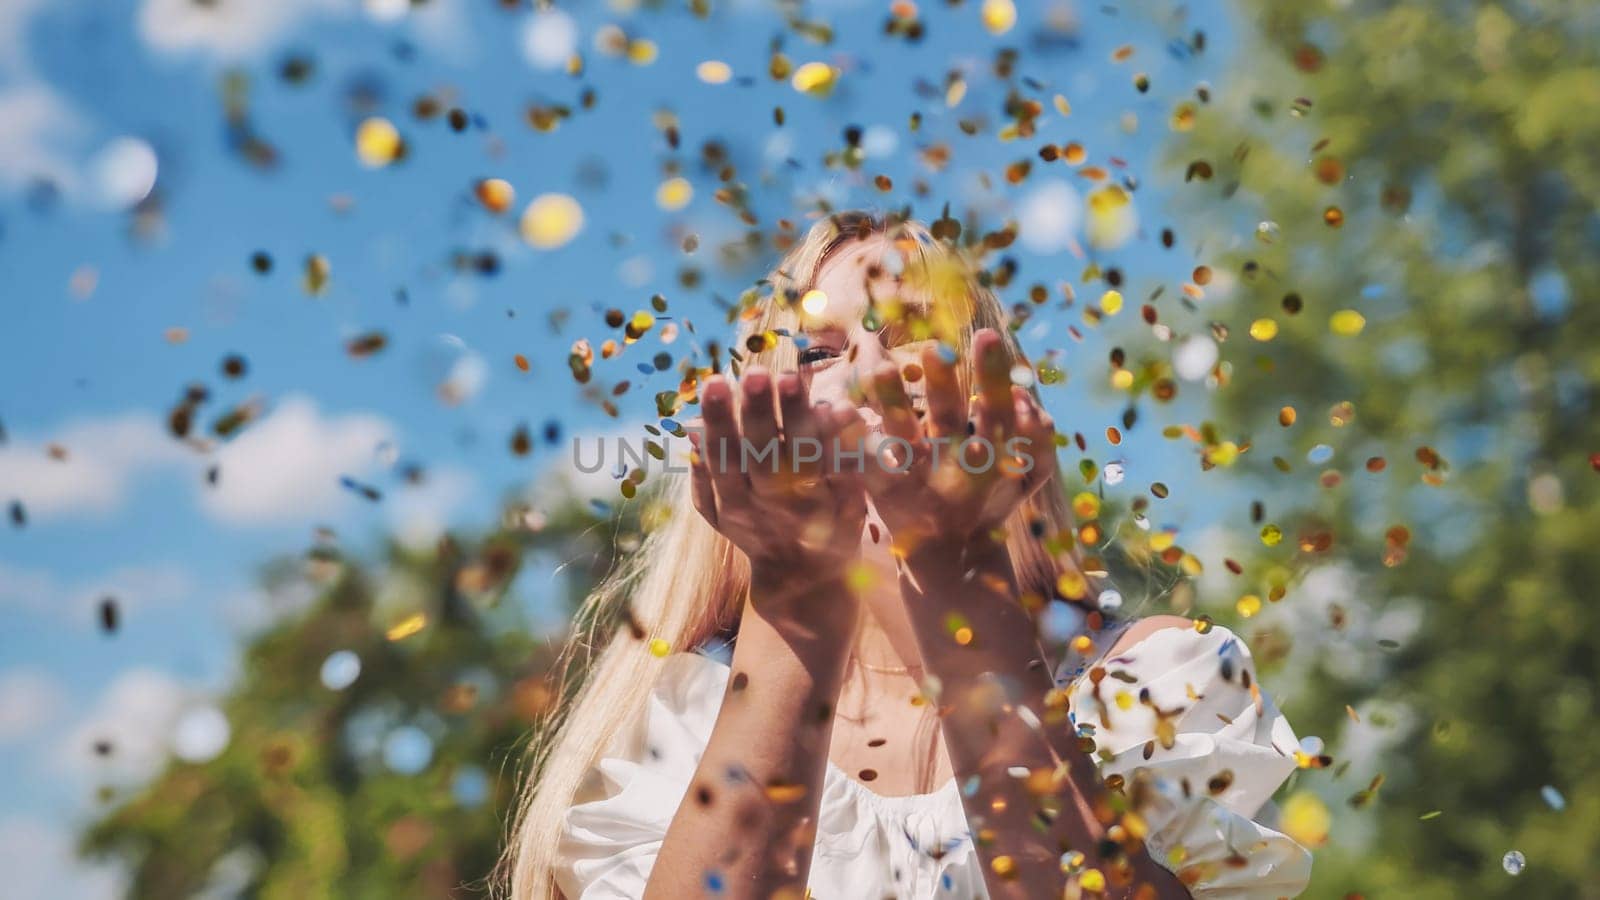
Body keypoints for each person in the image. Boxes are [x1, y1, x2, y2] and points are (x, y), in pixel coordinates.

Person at [499, 212, 1312, 899]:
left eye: (917, 337)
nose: (868, 372)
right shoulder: (682, 724)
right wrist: (794, 592)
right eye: (817, 353)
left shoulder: (1152, 690)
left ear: (1000, 403)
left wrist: (958, 578)